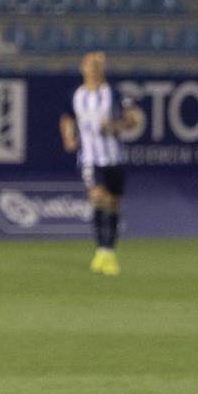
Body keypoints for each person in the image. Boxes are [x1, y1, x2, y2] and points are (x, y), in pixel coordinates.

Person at [59, 51, 140, 275]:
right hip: (90, 158)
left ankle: (108, 252)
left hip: (114, 157)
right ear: (82, 68)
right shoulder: (76, 96)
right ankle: (101, 251)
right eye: (89, 64)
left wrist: (115, 126)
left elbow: (133, 119)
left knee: (113, 203)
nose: (93, 68)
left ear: (102, 68)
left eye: (97, 65)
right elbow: (67, 117)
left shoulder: (114, 93)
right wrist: (68, 136)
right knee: (97, 196)